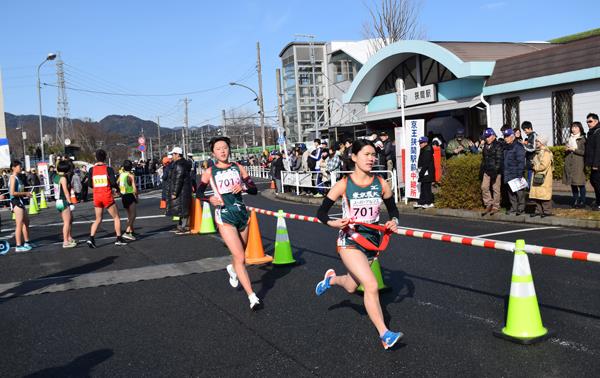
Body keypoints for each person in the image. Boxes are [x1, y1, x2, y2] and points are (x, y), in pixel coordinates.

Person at [314, 139, 402, 350]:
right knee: (371, 285)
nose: (372, 158)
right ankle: (385, 333)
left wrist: (394, 221)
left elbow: (394, 210)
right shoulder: (344, 185)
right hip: (349, 241)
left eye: (374, 155)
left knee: (352, 286)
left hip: (372, 242)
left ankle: (331, 280)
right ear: (354, 157)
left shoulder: (381, 183)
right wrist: (332, 222)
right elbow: (321, 213)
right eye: (366, 154)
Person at [196, 136, 261, 310]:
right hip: (224, 216)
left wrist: (244, 187)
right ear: (213, 153)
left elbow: (254, 189)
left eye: (225, 148)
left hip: (241, 214)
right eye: (218, 148)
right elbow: (198, 192)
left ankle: (232, 269)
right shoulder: (210, 172)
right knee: (240, 257)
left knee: (240, 255)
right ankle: (252, 296)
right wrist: (210, 199)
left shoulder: (238, 167)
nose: (223, 151)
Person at [86, 149, 127, 248]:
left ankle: (91, 238)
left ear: (96, 158)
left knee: (98, 219)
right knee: (116, 217)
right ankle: (118, 238)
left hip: (97, 196)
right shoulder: (108, 169)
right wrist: (117, 189)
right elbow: (113, 182)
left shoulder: (92, 169)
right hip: (106, 195)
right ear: (105, 157)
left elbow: (89, 183)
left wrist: (96, 188)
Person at [166, 147, 193, 234]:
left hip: (182, 191)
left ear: (178, 154)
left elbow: (178, 179)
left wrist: (174, 192)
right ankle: (181, 225)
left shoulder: (179, 165)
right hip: (184, 190)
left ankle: (184, 227)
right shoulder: (182, 163)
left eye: (173, 154)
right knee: (182, 209)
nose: (172, 156)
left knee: (182, 209)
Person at [9, 160, 34, 252]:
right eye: (19, 166)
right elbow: (12, 192)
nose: (21, 168)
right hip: (15, 201)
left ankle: (27, 242)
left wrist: (25, 194)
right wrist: (25, 193)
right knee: (19, 224)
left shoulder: (18, 177)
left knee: (26, 222)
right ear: (13, 167)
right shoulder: (12, 178)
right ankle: (18, 246)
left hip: (20, 200)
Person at [502, 129, 526, 215]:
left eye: (507, 137)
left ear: (512, 136)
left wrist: (520, 173)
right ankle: (513, 208)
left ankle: (521, 209)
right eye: (504, 137)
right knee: (511, 192)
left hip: (516, 172)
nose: (505, 138)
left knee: (519, 192)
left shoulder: (518, 146)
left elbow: (521, 161)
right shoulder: (506, 147)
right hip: (508, 173)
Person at [480, 128, 504, 216]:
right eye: (486, 137)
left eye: (489, 136)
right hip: (487, 170)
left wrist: (496, 170)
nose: (487, 139)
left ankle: (496, 207)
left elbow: (499, 159)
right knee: (484, 187)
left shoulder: (498, 145)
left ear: (493, 136)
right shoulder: (485, 146)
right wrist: (482, 169)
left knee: (496, 189)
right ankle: (488, 204)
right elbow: (484, 159)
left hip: (496, 171)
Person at [563, 122, 587, 208]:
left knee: (580, 183)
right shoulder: (569, 138)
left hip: (579, 164)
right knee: (573, 183)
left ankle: (583, 201)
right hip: (569, 163)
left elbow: (584, 152)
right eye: (572, 127)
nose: (573, 129)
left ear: (580, 128)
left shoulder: (583, 139)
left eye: (576, 127)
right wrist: (566, 149)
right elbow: (566, 151)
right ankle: (576, 200)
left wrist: (574, 149)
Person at [529, 135, 554, 217]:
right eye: (536, 141)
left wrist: (534, 167)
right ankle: (538, 210)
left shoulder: (546, 152)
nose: (536, 143)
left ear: (542, 142)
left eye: (538, 141)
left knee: (544, 195)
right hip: (539, 176)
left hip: (544, 176)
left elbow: (543, 165)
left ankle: (547, 211)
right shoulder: (539, 151)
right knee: (537, 195)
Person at [54, 160, 77, 248]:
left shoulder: (56, 176)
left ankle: (69, 238)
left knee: (70, 219)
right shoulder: (63, 178)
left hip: (58, 201)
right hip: (63, 200)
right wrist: (70, 202)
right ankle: (65, 241)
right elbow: (66, 192)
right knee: (67, 222)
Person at [119, 160, 138, 240]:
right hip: (130, 195)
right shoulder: (131, 175)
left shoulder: (121, 175)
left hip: (123, 196)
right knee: (133, 215)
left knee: (129, 215)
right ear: (131, 167)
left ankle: (131, 231)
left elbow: (118, 183)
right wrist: (136, 196)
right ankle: (127, 232)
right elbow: (134, 188)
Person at [585, 113, 600, 211]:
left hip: (598, 164)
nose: (588, 123)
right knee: (594, 181)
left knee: (597, 182)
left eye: (590, 121)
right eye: (587, 122)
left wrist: (595, 164)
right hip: (594, 163)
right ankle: (598, 201)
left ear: (596, 121)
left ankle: (599, 203)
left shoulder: (598, 132)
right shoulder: (591, 132)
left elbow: (598, 149)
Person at [415, 136, 435, 208]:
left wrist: (421, 172)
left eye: (421, 143)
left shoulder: (428, 150)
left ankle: (429, 202)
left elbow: (426, 163)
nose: (420, 144)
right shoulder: (423, 149)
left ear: (426, 143)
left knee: (427, 188)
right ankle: (422, 202)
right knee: (423, 187)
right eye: (419, 143)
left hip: (427, 172)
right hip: (423, 171)